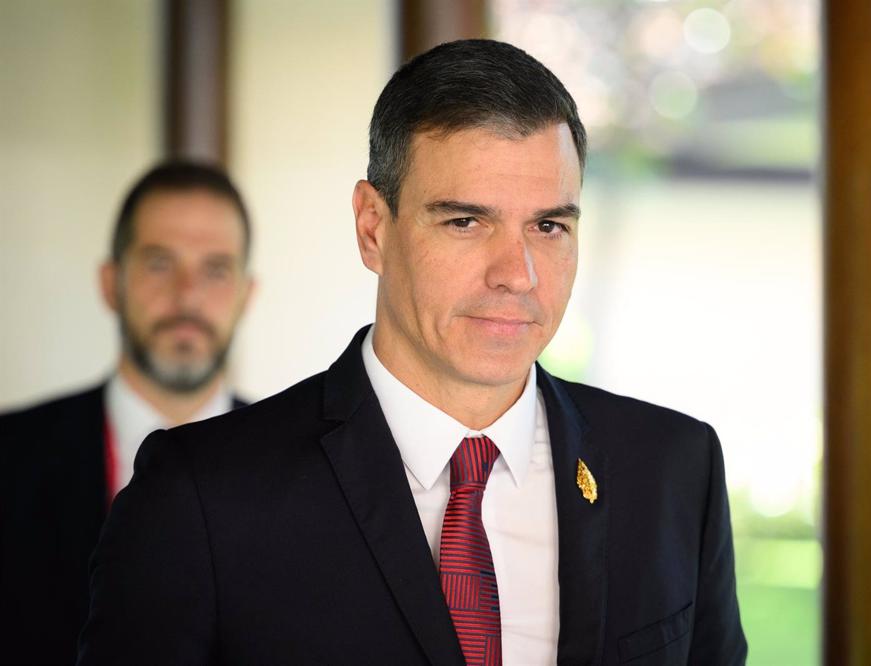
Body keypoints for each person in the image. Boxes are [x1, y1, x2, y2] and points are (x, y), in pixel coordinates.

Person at [78, 41, 746, 665]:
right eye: (465, 221)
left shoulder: (676, 473)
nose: (518, 274)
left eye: (548, 226)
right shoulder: (201, 498)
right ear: (373, 228)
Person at [0, 161, 255, 665]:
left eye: (216, 269)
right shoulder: (9, 458)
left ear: (247, 295)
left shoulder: (309, 467)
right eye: (160, 263)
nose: (187, 295)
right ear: (110, 283)